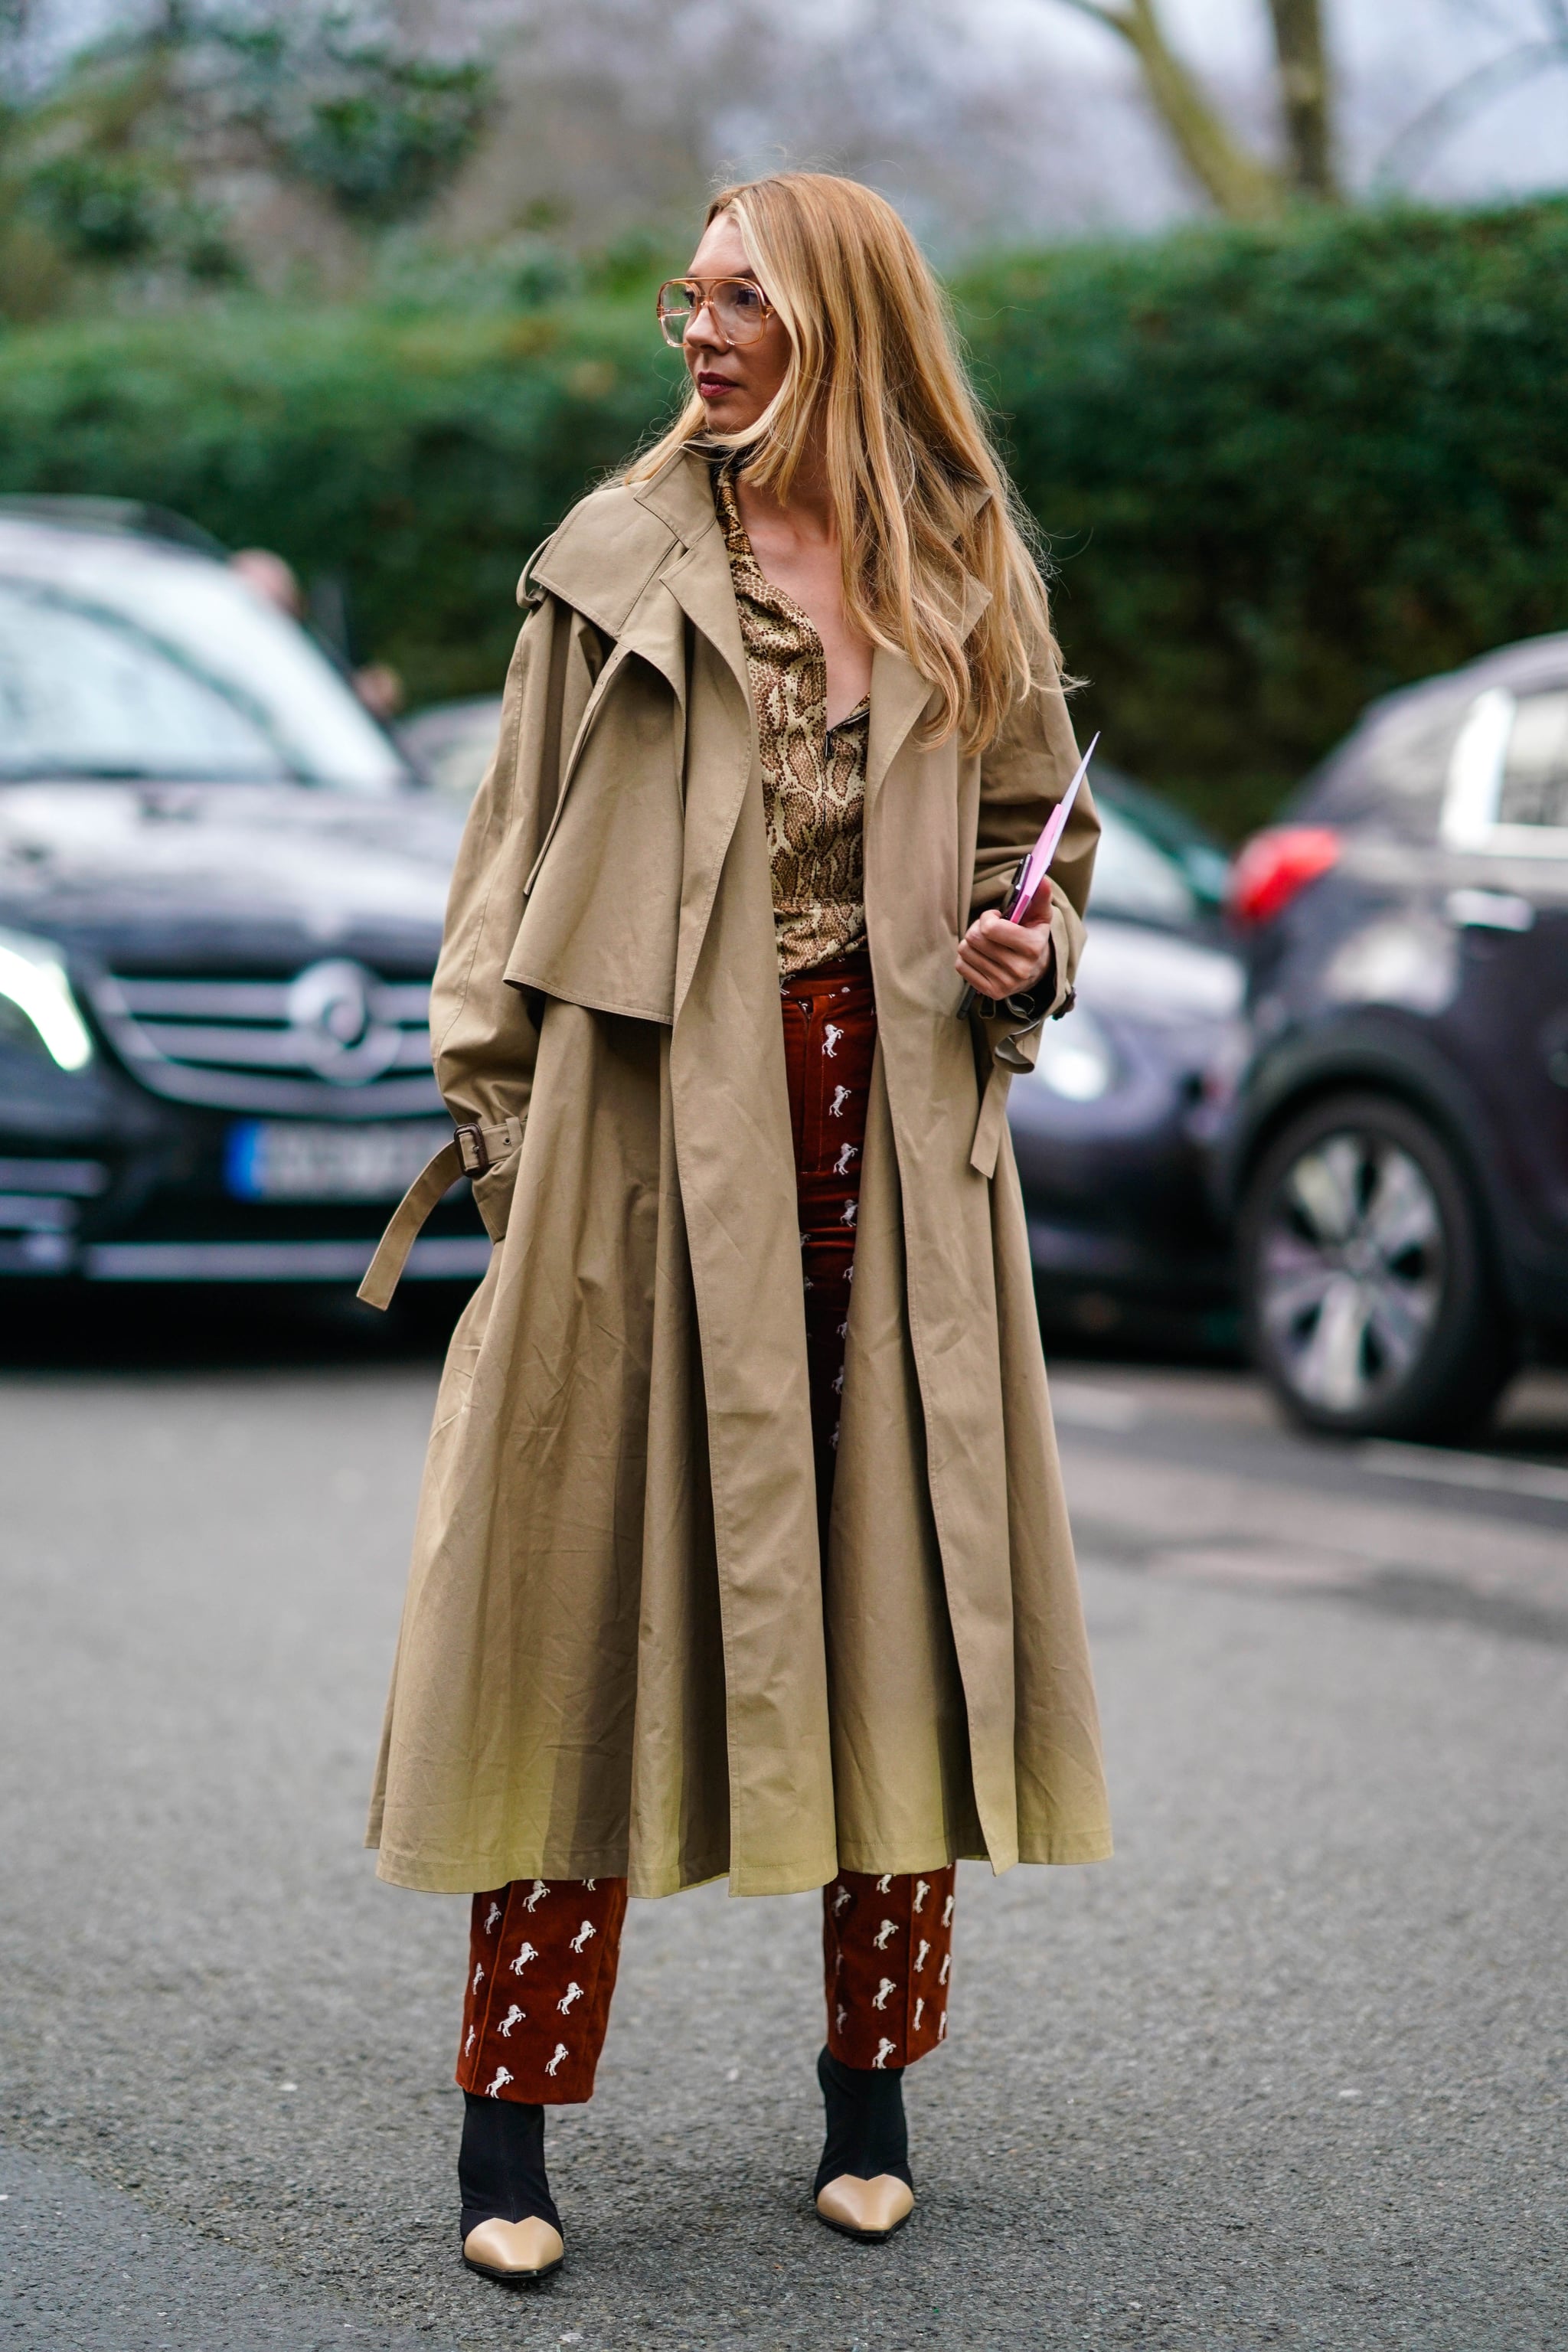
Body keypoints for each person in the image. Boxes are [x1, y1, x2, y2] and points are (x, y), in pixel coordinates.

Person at [358, 168, 1112, 2286]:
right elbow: (500, 884)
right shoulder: (605, 569)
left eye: (740, 299)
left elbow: (1037, 850)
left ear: (843, 322)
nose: (697, 330)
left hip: (897, 1152)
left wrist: (1021, 949)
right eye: (683, 296)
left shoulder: (962, 573)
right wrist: (517, 1156)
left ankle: (868, 2101)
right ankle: (507, 2133)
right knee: (575, 1610)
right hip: (639, 1150)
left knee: (896, 1605)